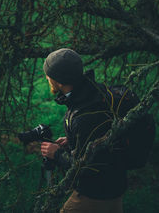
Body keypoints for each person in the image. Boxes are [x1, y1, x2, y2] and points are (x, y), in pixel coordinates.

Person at [40, 48, 127, 213]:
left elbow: (86, 168)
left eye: (48, 74)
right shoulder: (93, 90)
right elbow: (99, 137)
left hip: (95, 194)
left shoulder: (83, 116)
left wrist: (57, 154)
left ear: (59, 81)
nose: (46, 77)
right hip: (115, 184)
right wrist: (73, 141)